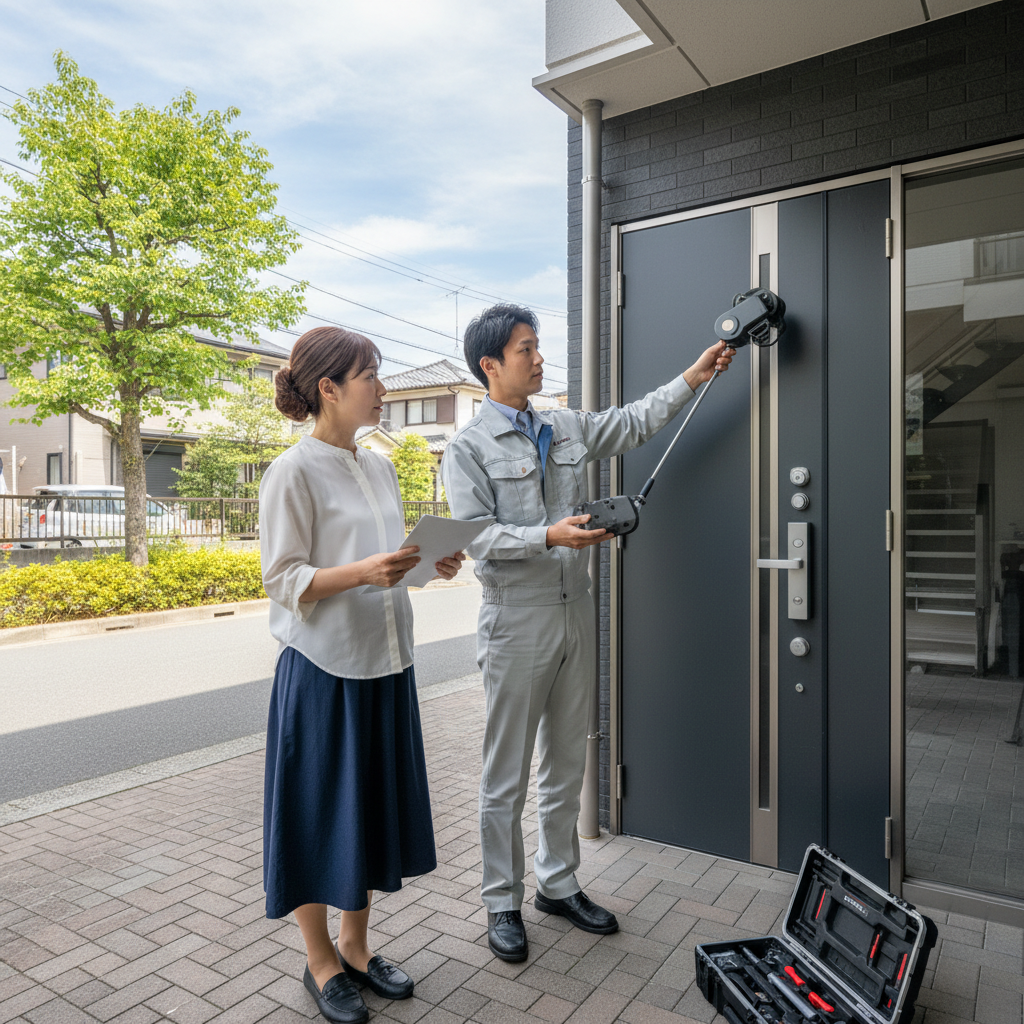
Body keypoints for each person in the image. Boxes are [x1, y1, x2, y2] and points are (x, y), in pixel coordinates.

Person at [440, 304, 734, 962]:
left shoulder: (565, 425)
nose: (540, 359)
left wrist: (695, 373)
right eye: (526, 350)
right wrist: (547, 533)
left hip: (577, 609)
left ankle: (558, 883)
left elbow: (632, 422)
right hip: (515, 617)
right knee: (505, 774)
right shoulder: (466, 448)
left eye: (539, 347)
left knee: (567, 762)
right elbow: (475, 535)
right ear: (490, 365)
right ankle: (500, 901)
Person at [259, 326, 465, 1023]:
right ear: (329, 389)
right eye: (371, 374)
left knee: (366, 812)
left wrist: (426, 563)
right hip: (323, 671)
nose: (382, 385)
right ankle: (319, 962)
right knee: (318, 817)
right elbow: (282, 579)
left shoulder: (378, 467)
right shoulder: (292, 471)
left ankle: (355, 946)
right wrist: (362, 572)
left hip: (386, 661)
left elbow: (386, 564)